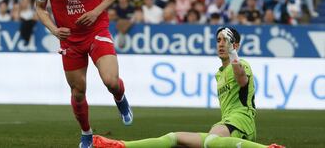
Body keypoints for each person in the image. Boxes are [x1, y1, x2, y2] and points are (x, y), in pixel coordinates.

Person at [93, 27, 284, 148]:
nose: (221, 44)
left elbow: (242, 80)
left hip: (242, 123)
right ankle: (120, 145)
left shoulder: (241, 63)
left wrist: (234, 54)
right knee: (174, 138)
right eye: (218, 40)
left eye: (226, 40)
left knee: (210, 141)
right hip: (226, 124)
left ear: (235, 45)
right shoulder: (219, 72)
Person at [34, 0, 133, 148]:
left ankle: (120, 98)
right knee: (78, 92)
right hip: (70, 40)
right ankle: (86, 134)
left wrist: (96, 12)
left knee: (110, 81)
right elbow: (40, 8)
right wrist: (54, 29)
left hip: (96, 31)